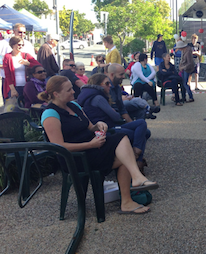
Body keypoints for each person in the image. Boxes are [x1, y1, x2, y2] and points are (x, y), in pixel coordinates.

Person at [40, 76, 158, 214]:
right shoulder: (50, 114)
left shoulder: (74, 106)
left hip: (92, 149)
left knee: (124, 149)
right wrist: (90, 144)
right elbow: (58, 147)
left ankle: (129, 196)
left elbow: (90, 127)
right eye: (69, 90)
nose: (73, 91)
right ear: (56, 94)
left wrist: (99, 125)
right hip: (74, 158)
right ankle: (134, 182)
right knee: (123, 145)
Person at [77, 73, 151, 173]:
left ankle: (136, 154)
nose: (110, 86)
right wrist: (114, 112)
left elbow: (117, 112)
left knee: (142, 125)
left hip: (110, 125)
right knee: (139, 133)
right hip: (107, 128)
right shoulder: (98, 98)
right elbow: (115, 116)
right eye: (107, 84)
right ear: (99, 84)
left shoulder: (92, 95)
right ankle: (137, 160)